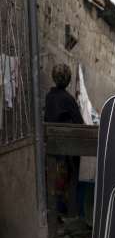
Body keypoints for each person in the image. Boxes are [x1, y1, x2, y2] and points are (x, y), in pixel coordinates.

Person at [44, 64, 84, 221]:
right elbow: (79, 123)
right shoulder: (68, 99)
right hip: (65, 150)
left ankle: (55, 214)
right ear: (67, 80)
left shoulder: (49, 97)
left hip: (52, 147)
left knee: (53, 181)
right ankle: (69, 214)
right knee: (69, 179)